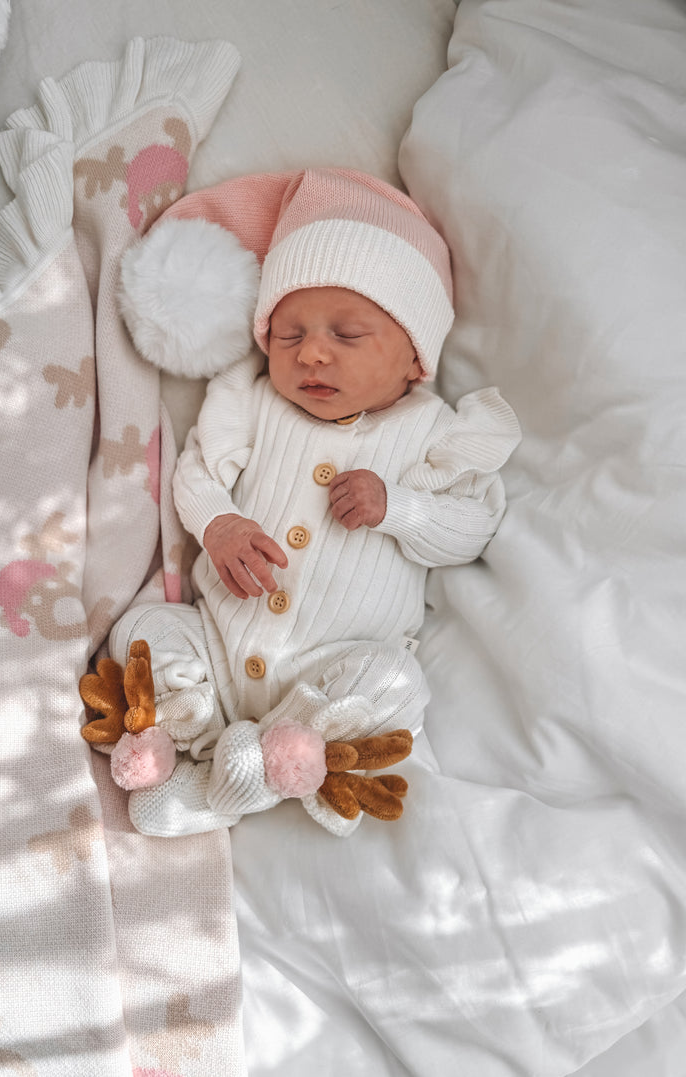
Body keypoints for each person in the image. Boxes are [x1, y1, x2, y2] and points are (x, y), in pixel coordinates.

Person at [107, 168, 521, 837]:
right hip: (220, 642)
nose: (314, 355)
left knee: (398, 682)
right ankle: (198, 735)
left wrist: (400, 509)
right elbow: (197, 472)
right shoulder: (250, 396)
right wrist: (218, 524)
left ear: (415, 358)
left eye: (347, 336)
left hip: (333, 666)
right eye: (290, 336)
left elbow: (472, 529)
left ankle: (249, 773)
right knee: (141, 631)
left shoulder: (433, 433)